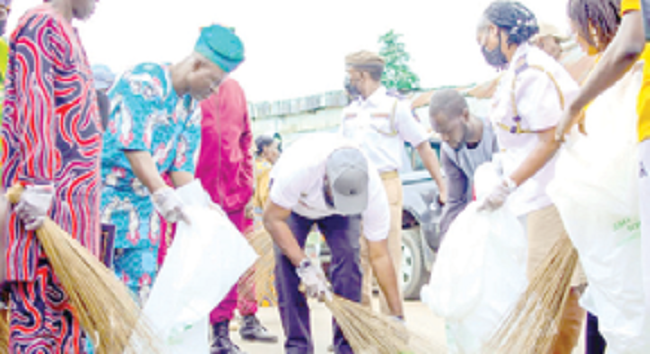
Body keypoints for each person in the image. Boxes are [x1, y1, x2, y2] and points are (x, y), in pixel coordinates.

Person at [100, 25, 242, 310]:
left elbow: (181, 169)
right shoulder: (145, 80)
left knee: (137, 297)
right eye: (212, 83)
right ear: (197, 63)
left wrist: (201, 204)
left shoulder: (190, 109)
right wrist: (161, 191)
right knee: (96, 294)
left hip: (144, 212)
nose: (212, 92)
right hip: (103, 202)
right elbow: (133, 144)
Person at [476, 1, 586, 352]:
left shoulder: (532, 72)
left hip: (550, 196)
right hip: (534, 198)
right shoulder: (518, 70)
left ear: (496, 31)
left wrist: (508, 184)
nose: (481, 45)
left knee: (554, 294)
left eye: (481, 35)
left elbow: (551, 137)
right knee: (550, 292)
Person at [0, 0, 101, 351]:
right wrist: (38, 182)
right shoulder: (39, 25)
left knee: (67, 326)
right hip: (43, 217)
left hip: (72, 219)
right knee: (38, 325)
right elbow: (35, 102)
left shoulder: (69, 32)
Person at [263, 133, 404, 354]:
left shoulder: (373, 190)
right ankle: (298, 347)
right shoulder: (299, 170)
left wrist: (398, 316)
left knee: (349, 259)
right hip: (296, 208)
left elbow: (380, 255)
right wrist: (304, 265)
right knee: (286, 266)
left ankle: (345, 346)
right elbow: (272, 219)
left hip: (339, 215)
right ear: (326, 179)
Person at [340, 50, 447, 314]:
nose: (348, 79)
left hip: (385, 184)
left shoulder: (394, 107)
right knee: (357, 256)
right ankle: (363, 329)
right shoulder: (350, 112)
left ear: (362, 75)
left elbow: (422, 145)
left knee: (387, 255)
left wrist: (442, 186)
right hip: (353, 185)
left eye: (351, 74)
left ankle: (392, 327)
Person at [195, 78, 278, 353]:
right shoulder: (192, 87)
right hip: (195, 195)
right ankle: (192, 331)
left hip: (233, 196)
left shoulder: (235, 90)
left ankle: (221, 333)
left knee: (232, 264)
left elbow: (245, 140)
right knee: (197, 265)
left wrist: (244, 186)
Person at [428, 89, 499, 238]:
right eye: (439, 133)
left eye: (447, 131)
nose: (444, 138)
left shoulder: (496, 134)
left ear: (465, 116)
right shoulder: (449, 151)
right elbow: (455, 201)